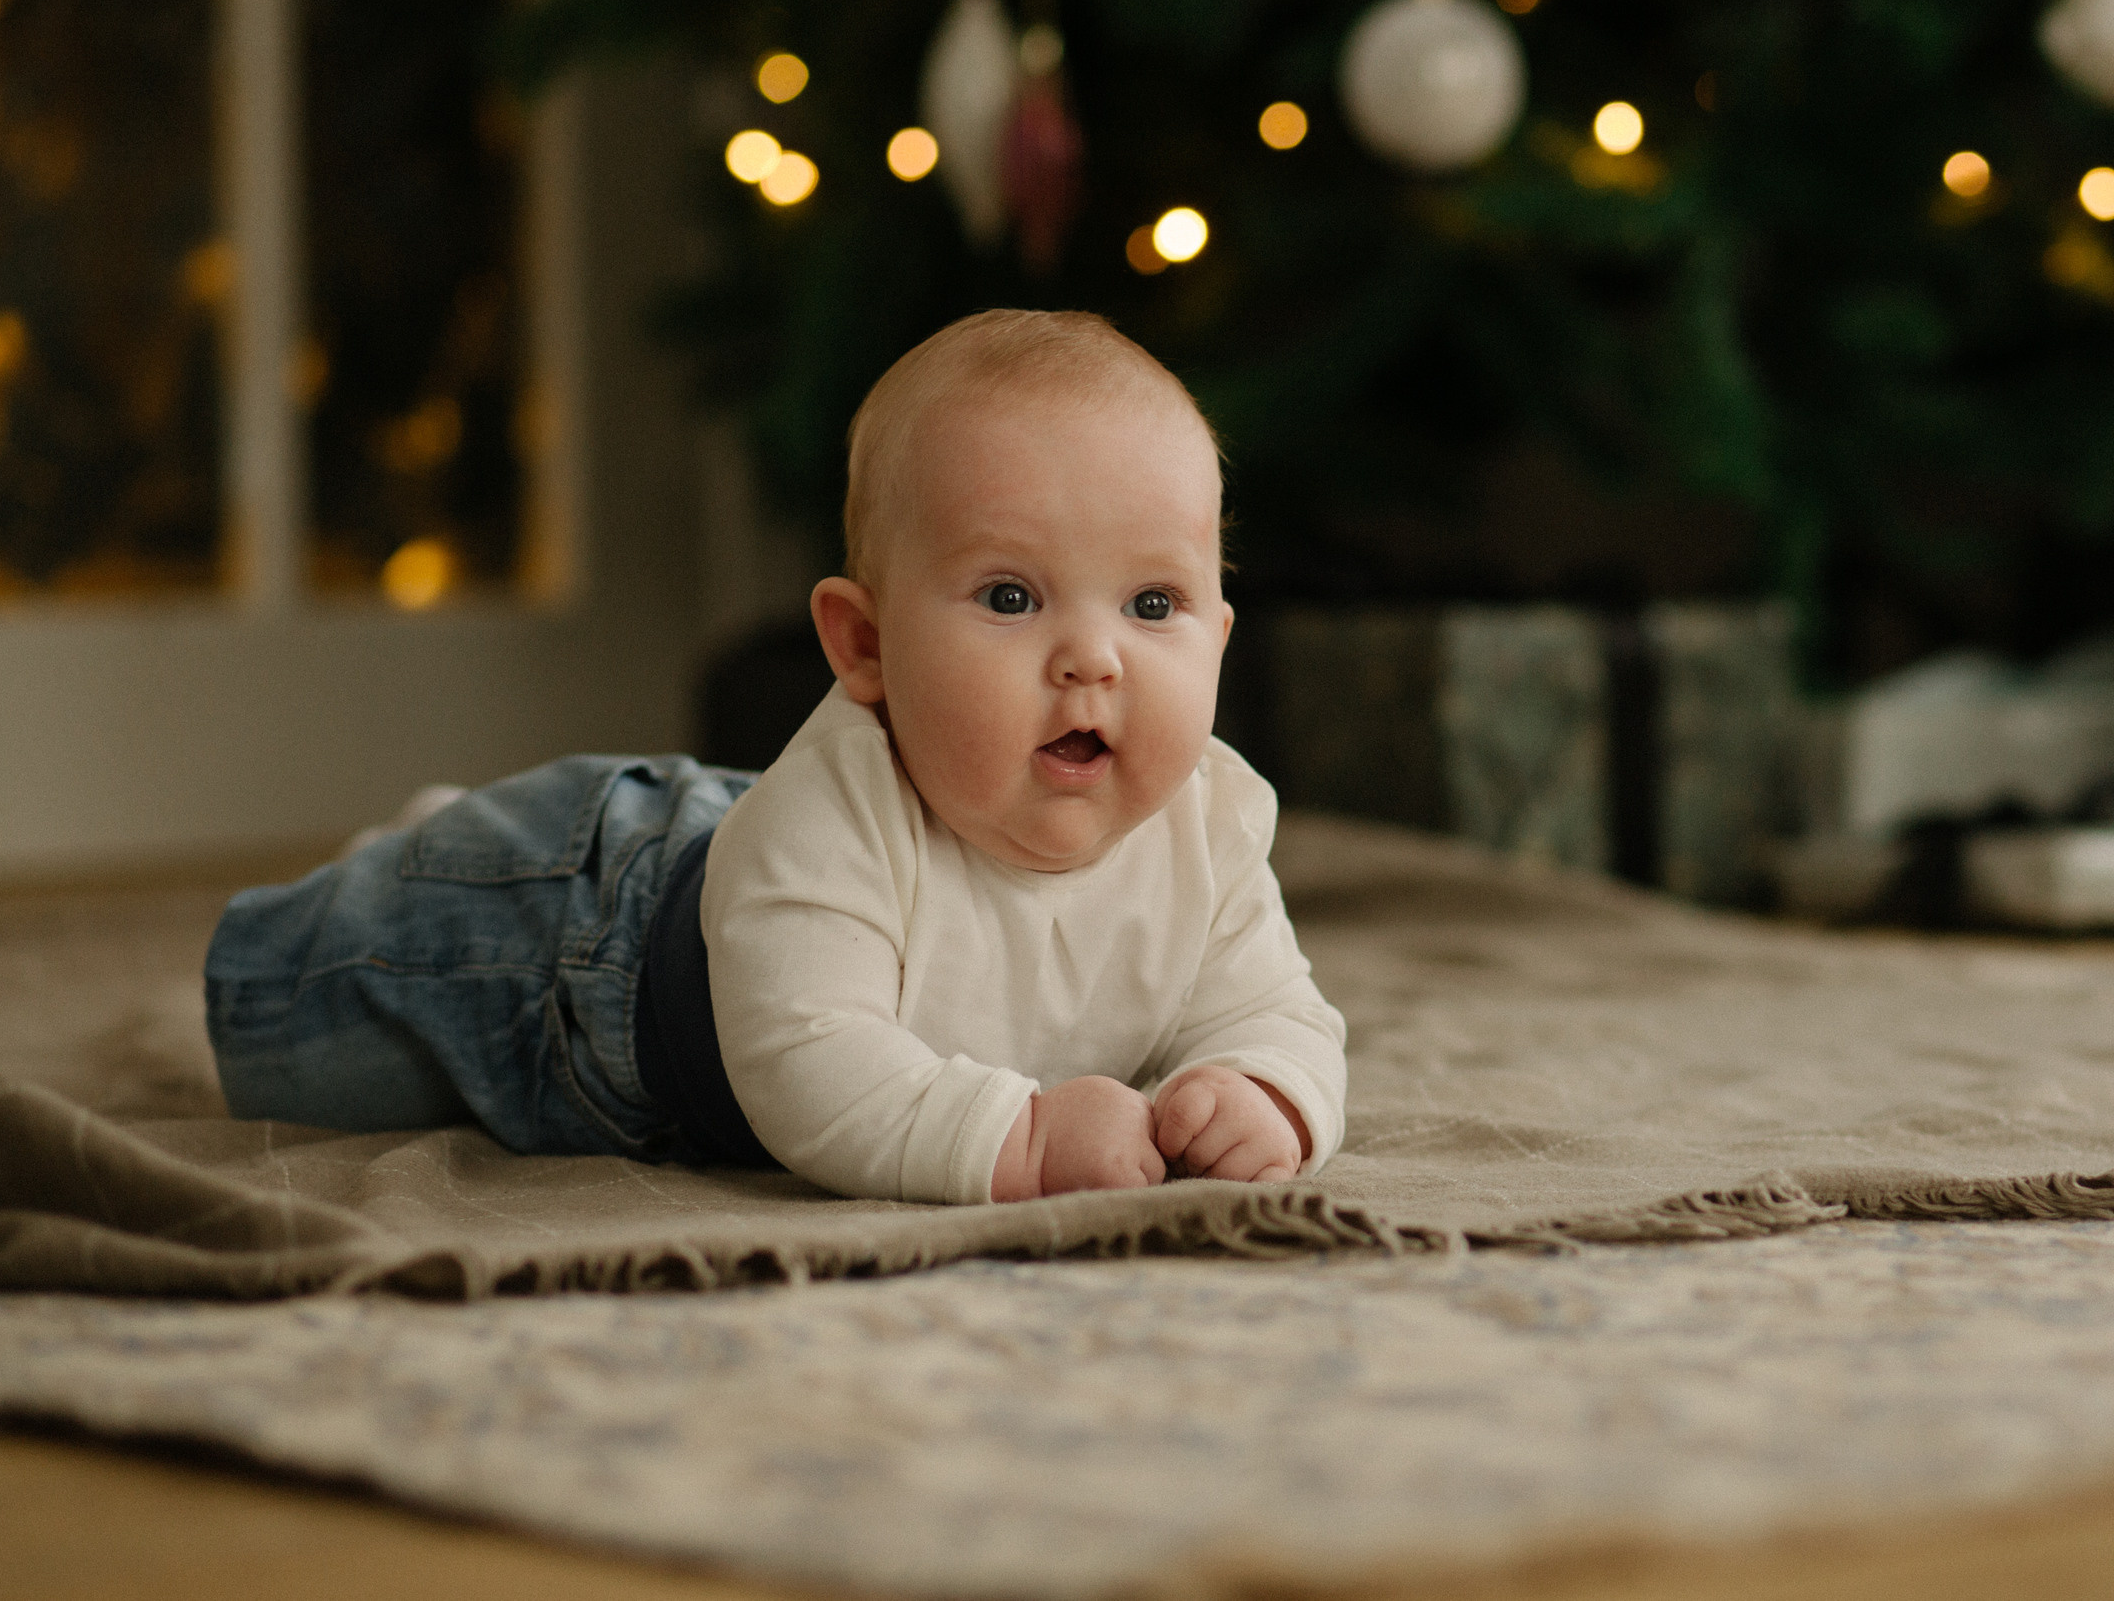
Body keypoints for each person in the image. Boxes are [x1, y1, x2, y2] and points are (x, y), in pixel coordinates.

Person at [204, 310, 1347, 1205]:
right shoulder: (834, 820)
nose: (1091, 659)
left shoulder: (1212, 823)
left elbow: (1281, 1014)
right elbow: (810, 1065)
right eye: (1011, 596)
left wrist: (1263, 1093)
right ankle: (419, 865)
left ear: (1219, 637)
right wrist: (1025, 1139)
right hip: (587, 941)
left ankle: (447, 840)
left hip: (743, 862)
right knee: (286, 1022)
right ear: (865, 646)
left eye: (1154, 602)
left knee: (759, 871)